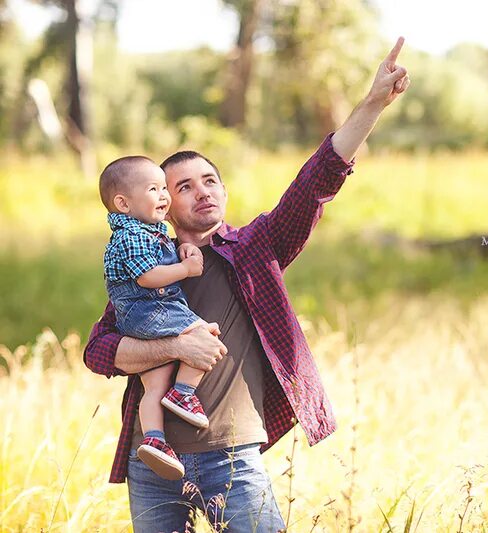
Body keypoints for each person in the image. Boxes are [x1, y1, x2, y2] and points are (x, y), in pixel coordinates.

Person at [83, 37, 411, 532]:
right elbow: (99, 351)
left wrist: (371, 105)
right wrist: (176, 345)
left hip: (232, 460)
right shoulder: (144, 267)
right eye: (184, 186)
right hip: (151, 464)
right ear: (164, 204)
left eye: (210, 180)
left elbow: (316, 182)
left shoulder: (257, 247)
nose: (203, 191)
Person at [99, 155, 215, 481]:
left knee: (153, 385)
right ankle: (183, 393)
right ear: (123, 203)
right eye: (154, 189)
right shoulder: (132, 235)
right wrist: (186, 268)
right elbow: (147, 275)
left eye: (165, 188)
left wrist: (181, 251)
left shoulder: (149, 231)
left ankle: (155, 441)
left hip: (143, 317)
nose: (164, 196)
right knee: (205, 333)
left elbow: (155, 257)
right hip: (150, 312)